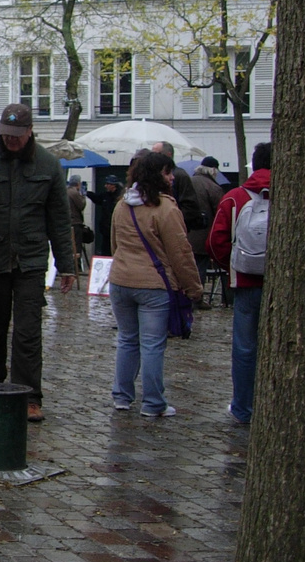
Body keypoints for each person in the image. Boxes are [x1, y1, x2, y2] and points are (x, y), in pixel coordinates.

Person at [0, 103, 77, 422]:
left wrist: (66, 265)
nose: (10, 141)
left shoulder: (49, 165)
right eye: (6, 135)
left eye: (16, 136)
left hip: (31, 260)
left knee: (28, 331)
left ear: (29, 132)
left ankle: (29, 396)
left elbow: (60, 220)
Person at [107, 151, 202, 417]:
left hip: (121, 280)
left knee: (127, 339)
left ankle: (122, 396)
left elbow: (115, 244)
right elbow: (180, 253)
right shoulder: (166, 208)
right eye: (167, 172)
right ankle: (153, 403)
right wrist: (194, 288)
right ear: (157, 175)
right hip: (153, 286)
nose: (172, 177)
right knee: (152, 344)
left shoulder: (122, 204)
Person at [208, 141, 271, 425]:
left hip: (245, 281)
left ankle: (243, 407)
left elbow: (216, 241)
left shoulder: (235, 197)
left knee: (245, 348)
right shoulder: (298, 193)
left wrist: (231, 265)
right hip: (281, 283)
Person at [187, 155, 225, 305]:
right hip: (202, 236)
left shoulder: (187, 181)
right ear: (213, 170)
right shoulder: (214, 188)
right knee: (199, 268)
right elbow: (220, 213)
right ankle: (197, 298)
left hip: (184, 233)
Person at [150, 141, 204, 231]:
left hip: (173, 229)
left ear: (169, 155)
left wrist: (171, 219)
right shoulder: (152, 175)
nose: (152, 157)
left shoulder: (180, 175)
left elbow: (190, 208)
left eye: (157, 154)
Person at [88, 177, 123, 257]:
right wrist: (87, 193)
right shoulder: (105, 196)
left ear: (113, 185)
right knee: (105, 250)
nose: (105, 186)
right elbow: (97, 198)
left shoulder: (119, 197)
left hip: (116, 229)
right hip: (105, 230)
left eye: (107, 184)